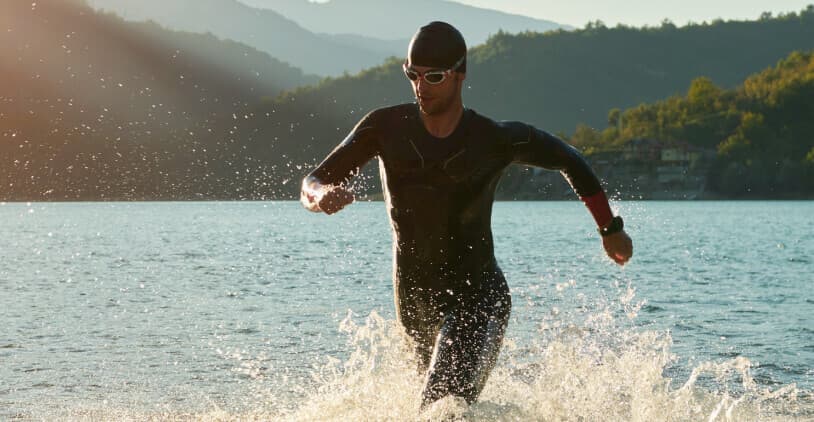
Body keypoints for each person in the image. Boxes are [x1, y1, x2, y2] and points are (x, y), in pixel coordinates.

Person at [300, 21, 633, 410]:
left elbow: (569, 160)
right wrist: (321, 196)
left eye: (434, 77)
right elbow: (313, 181)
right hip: (415, 301)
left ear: (460, 74)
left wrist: (610, 228)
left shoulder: (493, 140)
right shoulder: (384, 129)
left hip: (479, 297)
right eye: (413, 75)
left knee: (439, 408)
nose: (421, 87)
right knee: (438, 408)